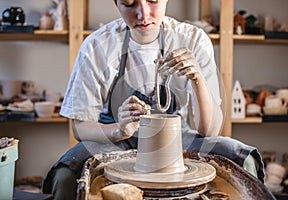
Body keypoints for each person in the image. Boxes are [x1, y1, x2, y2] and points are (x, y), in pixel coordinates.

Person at [43, 0, 264, 199]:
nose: (143, 14)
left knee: (243, 159)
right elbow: (79, 127)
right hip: (116, 142)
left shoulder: (193, 39)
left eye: (153, 1)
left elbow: (210, 131)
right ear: (116, 3)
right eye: (129, 3)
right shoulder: (98, 45)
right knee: (65, 175)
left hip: (178, 139)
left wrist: (196, 79)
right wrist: (118, 130)